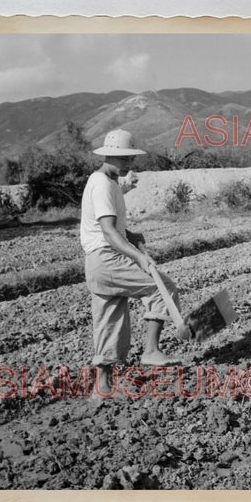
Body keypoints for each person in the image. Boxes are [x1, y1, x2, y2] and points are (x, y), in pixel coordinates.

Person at [80, 129, 181, 396]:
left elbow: (114, 227)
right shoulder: (102, 184)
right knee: (163, 288)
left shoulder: (107, 181)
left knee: (110, 322)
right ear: (109, 156)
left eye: (131, 158)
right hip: (106, 258)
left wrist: (133, 236)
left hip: (96, 264)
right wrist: (139, 256)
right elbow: (109, 231)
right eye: (123, 158)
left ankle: (102, 389)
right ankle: (151, 351)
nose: (129, 163)